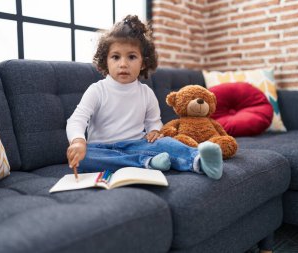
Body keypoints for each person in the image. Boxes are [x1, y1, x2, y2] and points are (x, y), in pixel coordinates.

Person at [66, 15, 223, 179]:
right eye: (116, 57)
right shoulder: (97, 90)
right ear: (106, 61)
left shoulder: (147, 93)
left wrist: (155, 131)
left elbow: (153, 122)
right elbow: (77, 119)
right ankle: (147, 162)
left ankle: (199, 160)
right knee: (86, 157)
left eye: (132, 57)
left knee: (167, 143)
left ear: (143, 62)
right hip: (103, 149)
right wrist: (78, 141)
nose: (123, 64)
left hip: (137, 145)